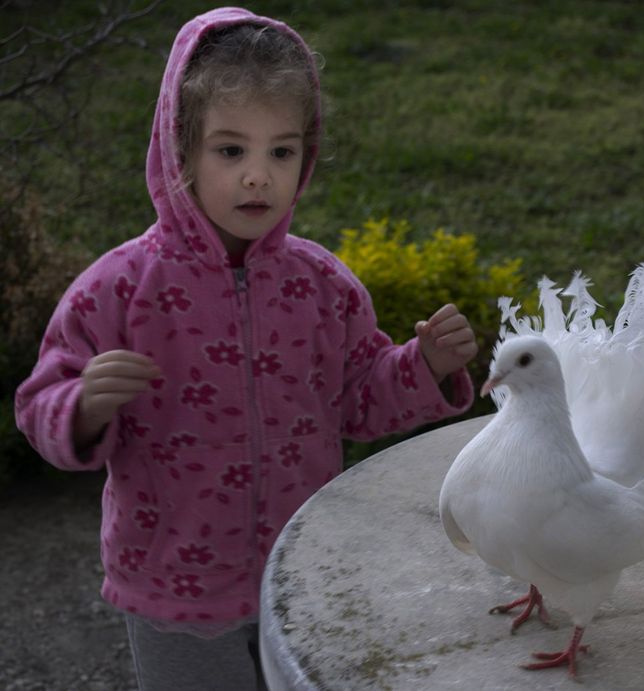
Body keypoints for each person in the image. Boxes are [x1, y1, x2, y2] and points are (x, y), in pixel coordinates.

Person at [14, 7, 477, 690]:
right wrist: (81, 407)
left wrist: (424, 367)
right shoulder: (118, 288)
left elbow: (358, 401)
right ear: (180, 149)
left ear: (305, 155)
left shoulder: (322, 285)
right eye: (231, 151)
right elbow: (37, 406)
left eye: (280, 152)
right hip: (175, 590)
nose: (258, 176)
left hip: (304, 574)